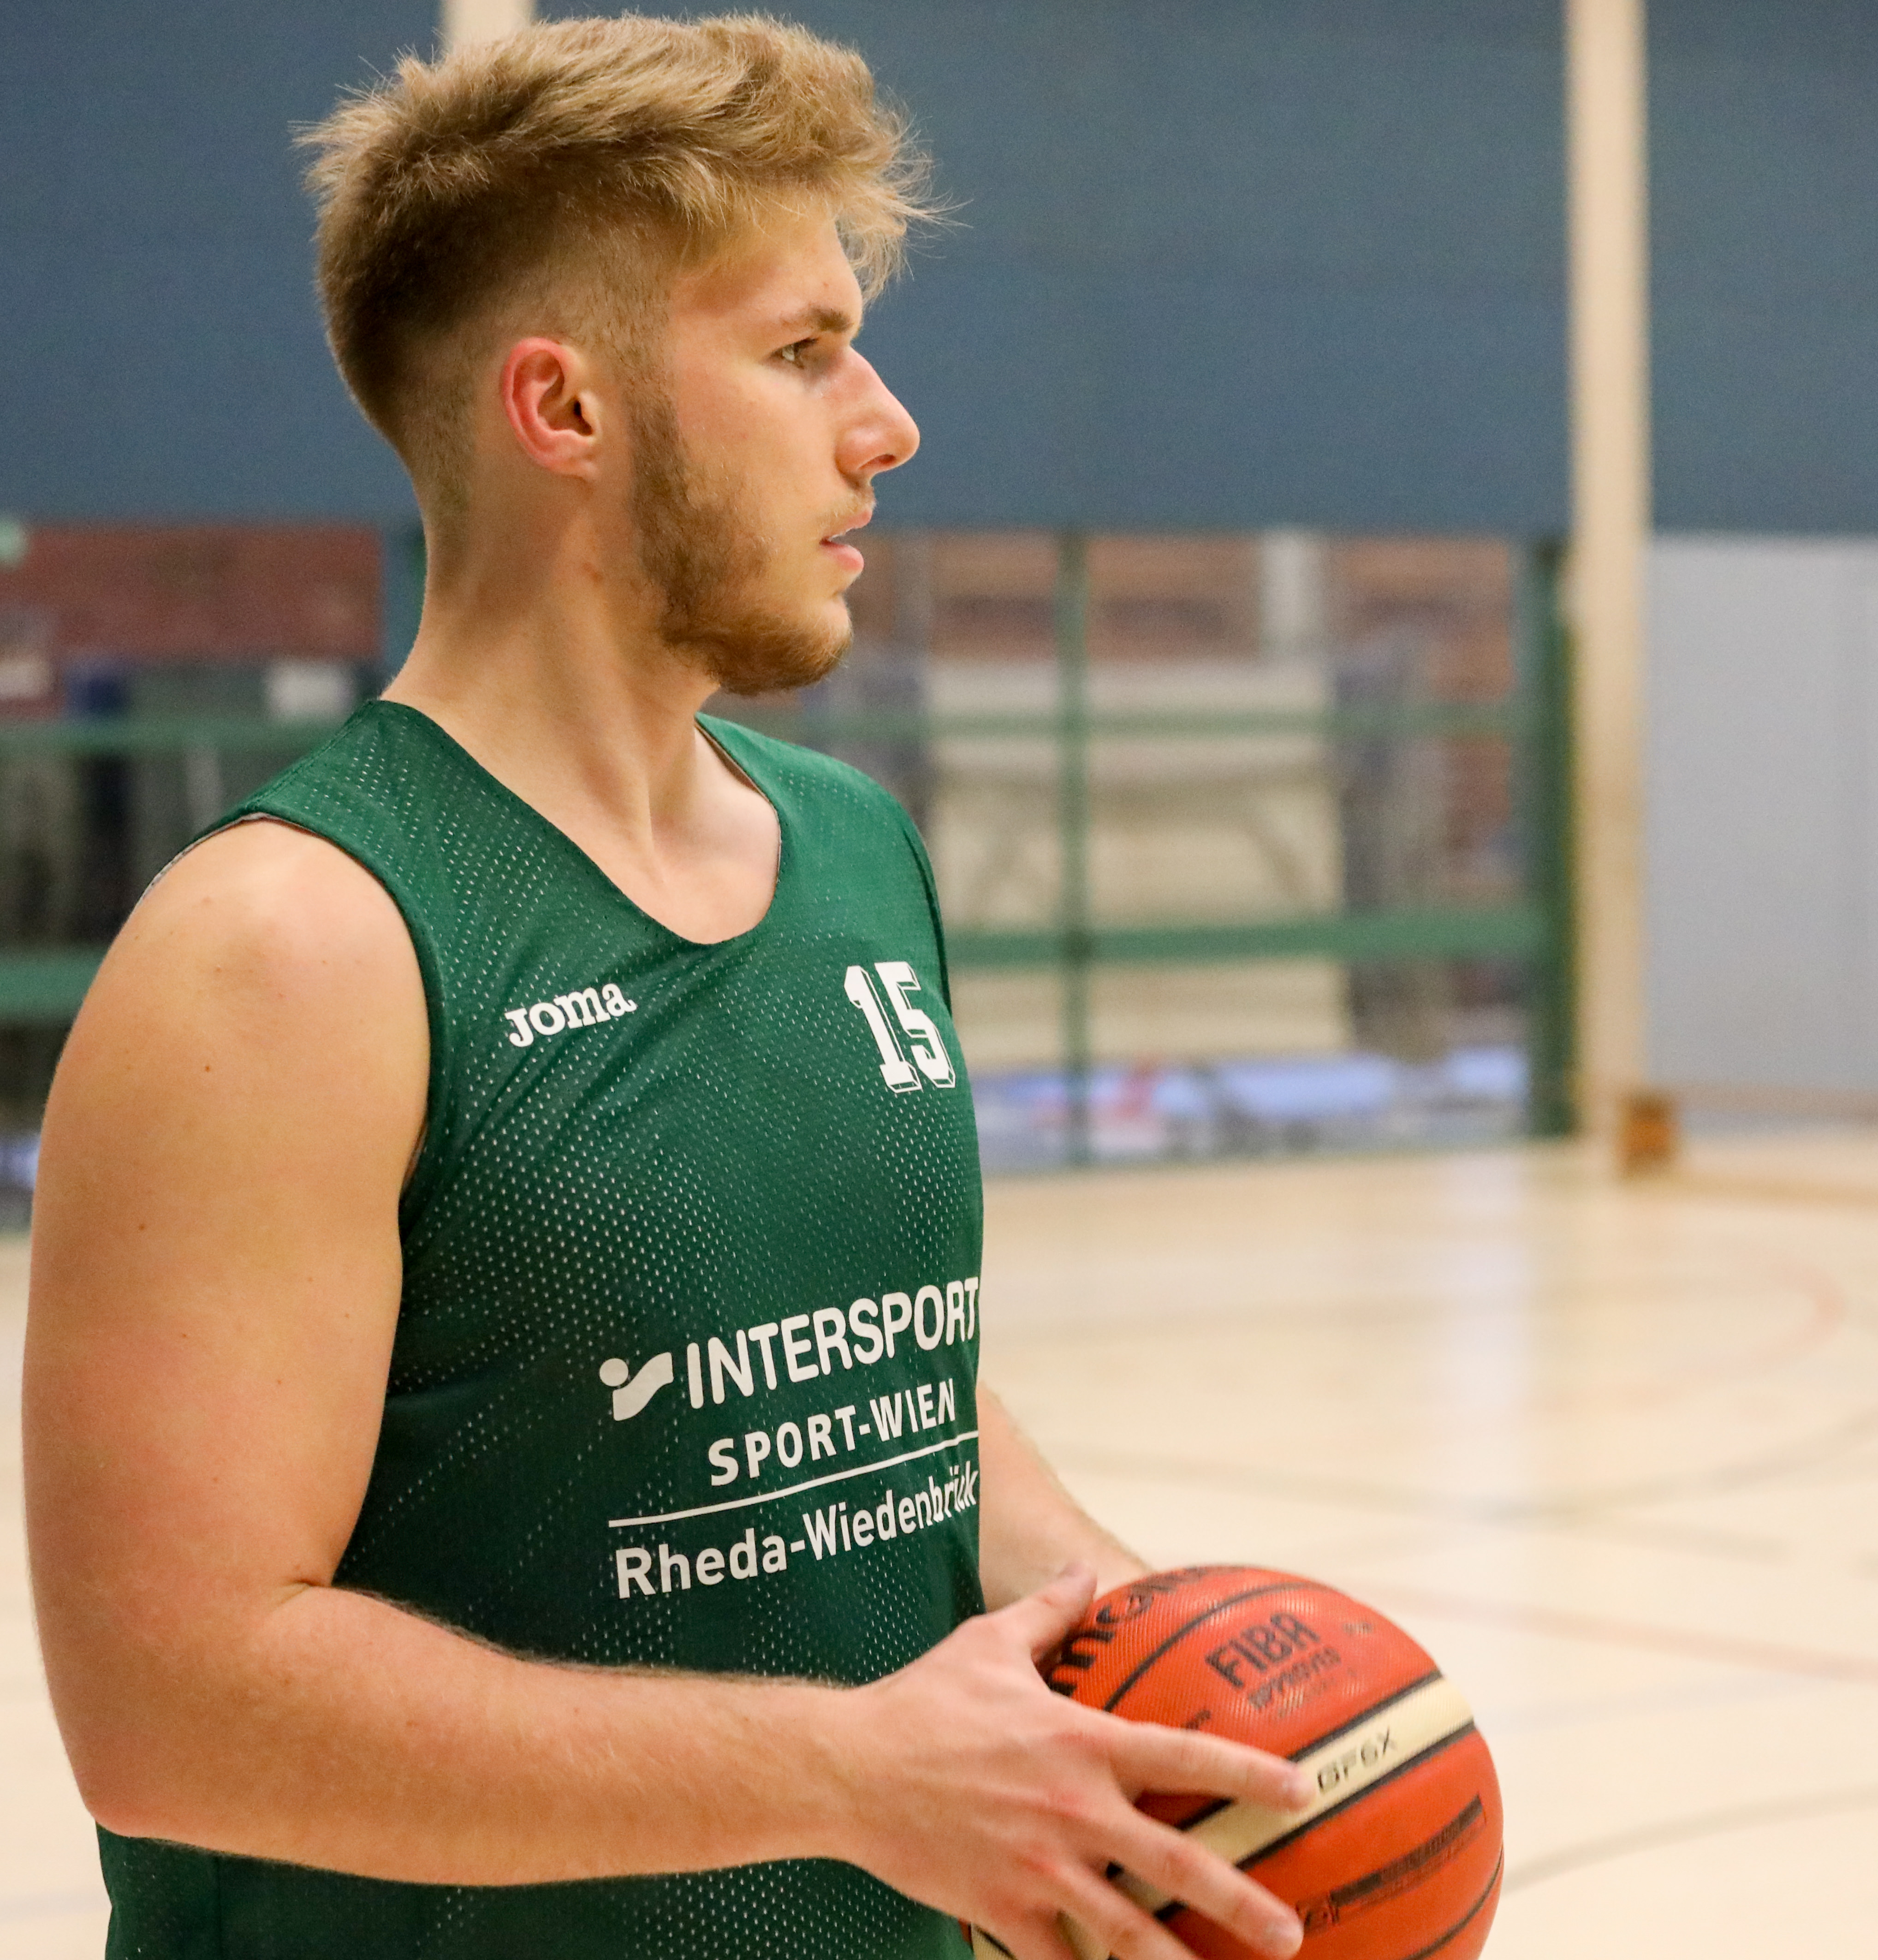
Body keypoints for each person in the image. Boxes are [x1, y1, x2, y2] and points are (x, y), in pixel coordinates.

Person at [23, 17, 1310, 1960]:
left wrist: (1173, 1675)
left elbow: (881, 1392)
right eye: (801, 353)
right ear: (566, 407)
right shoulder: (290, 948)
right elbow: (169, 1708)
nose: (884, 424)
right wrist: (847, 1773)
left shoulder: (854, 849)